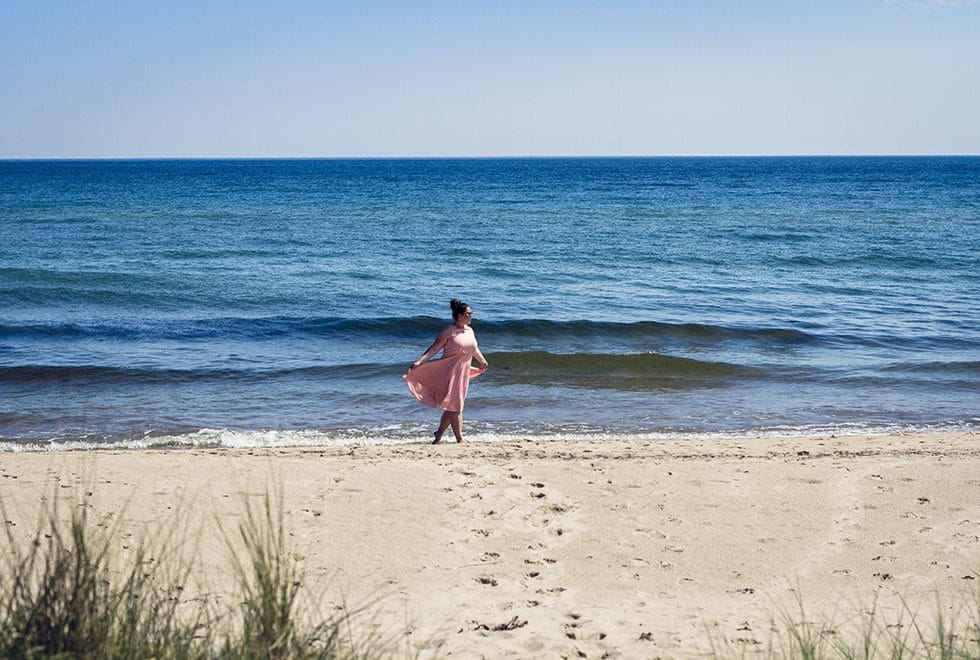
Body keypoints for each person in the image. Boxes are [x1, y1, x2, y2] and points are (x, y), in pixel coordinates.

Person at [404, 299, 489, 443]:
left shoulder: (470, 330)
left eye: (471, 314)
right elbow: (434, 349)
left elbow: (474, 349)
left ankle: (438, 437)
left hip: (462, 373)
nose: (471, 316)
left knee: (452, 406)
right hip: (449, 373)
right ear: (459, 315)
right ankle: (460, 439)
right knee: (456, 406)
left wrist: (482, 361)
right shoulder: (448, 332)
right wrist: (420, 361)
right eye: (468, 314)